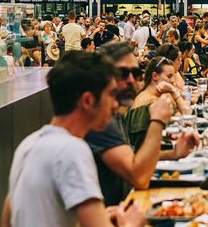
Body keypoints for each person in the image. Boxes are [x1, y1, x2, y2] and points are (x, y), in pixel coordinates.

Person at [0, 51, 146, 227]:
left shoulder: (27, 145)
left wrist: (99, 218)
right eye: (111, 95)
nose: (114, 105)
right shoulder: (72, 151)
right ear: (87, 101)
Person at [85, 42, 199, 206]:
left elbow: (134, 160)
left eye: (135, 73)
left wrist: (174, 153)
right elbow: (139, 177)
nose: (131, 80)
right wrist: (157, 121)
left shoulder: (114, 114)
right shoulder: (100, 121)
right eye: (123, 73)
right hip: (114, 212)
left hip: (127, 204)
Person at [125, 56, 188, 150]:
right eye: (169, 76)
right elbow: (141, 150)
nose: (173, 80)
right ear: (155, 76)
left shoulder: (159, 98)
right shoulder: (145, 103)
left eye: (173, 76)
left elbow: (188, 117)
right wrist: (174, 93)